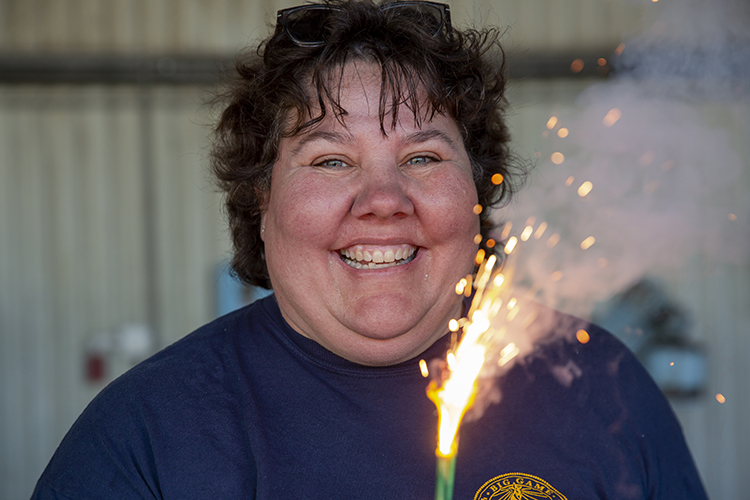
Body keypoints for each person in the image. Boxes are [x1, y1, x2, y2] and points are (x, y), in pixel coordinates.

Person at [32, 1, 707, 498]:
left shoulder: (601, 391)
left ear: (475, 196)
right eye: (330, 161)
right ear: (259, 204)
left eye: (421, 156)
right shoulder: (145, 438)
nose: (383, 200)